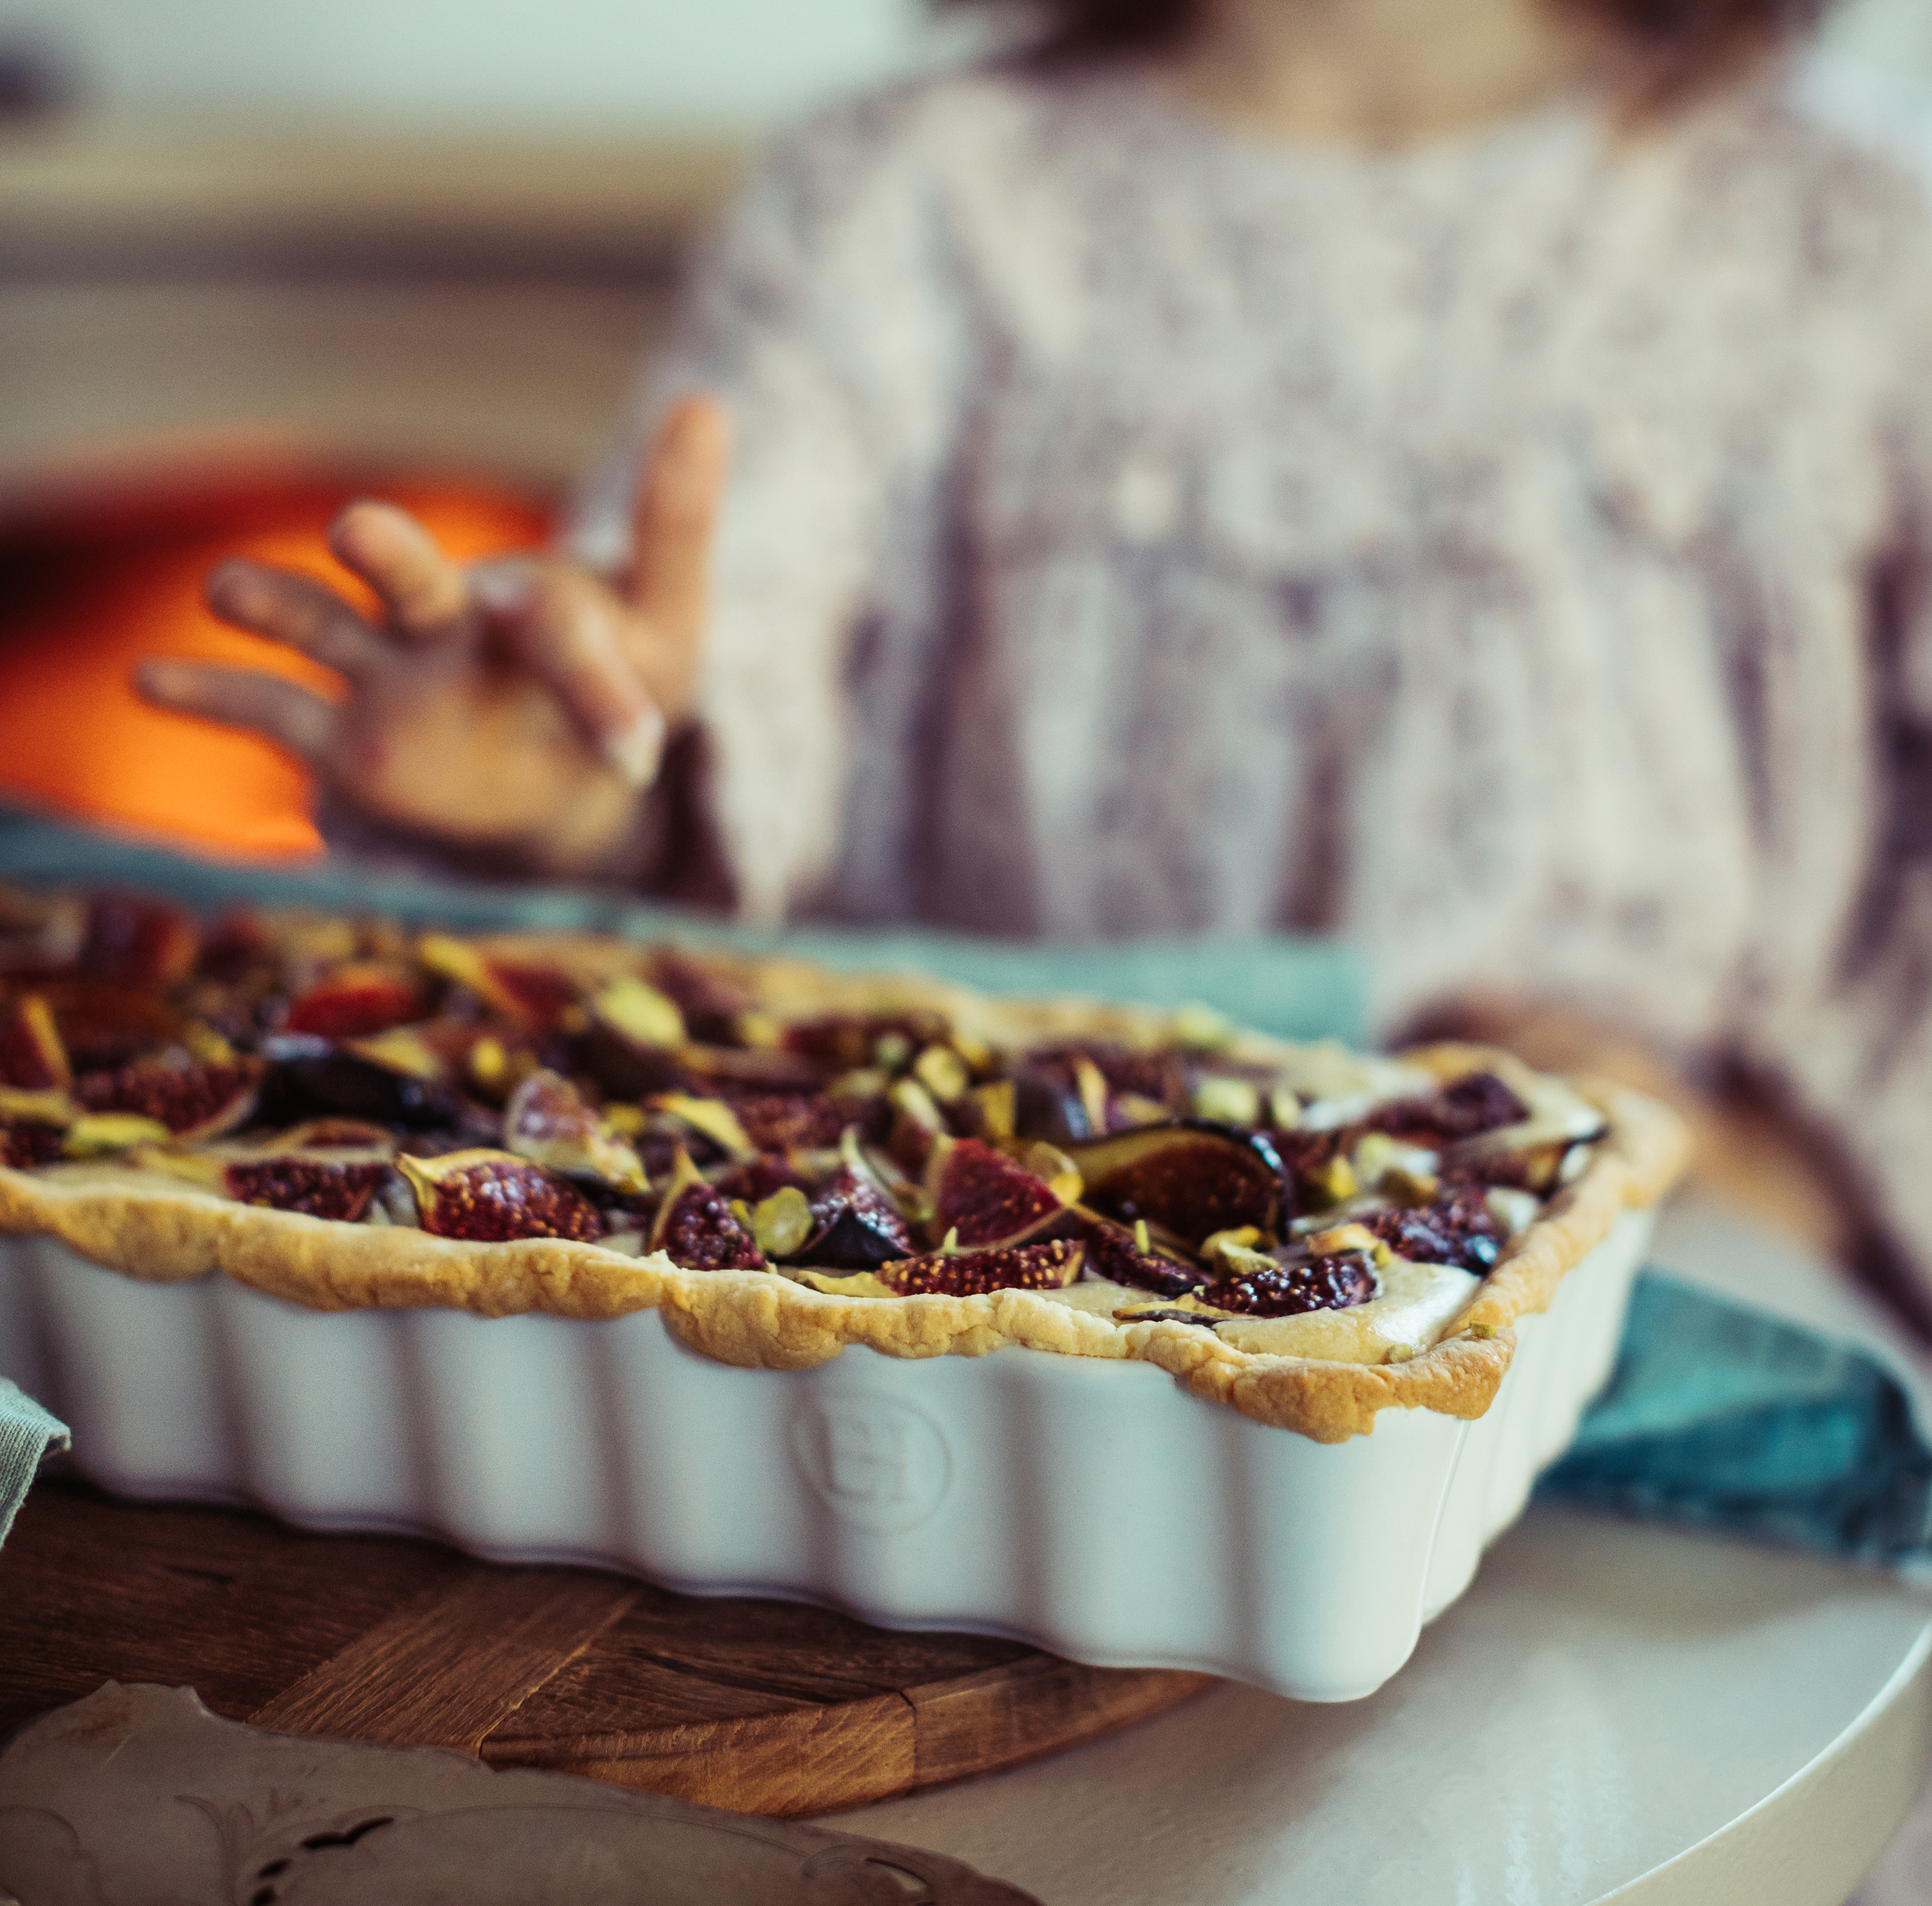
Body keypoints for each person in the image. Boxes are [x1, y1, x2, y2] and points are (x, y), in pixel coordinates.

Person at [138, 0, 1932, 1319]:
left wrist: (1815, 1183)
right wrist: (566, 791)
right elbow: (706, 699)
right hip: (1021, 1294)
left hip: (1688, 1276)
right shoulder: (905, 199)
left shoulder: (1857, 234)